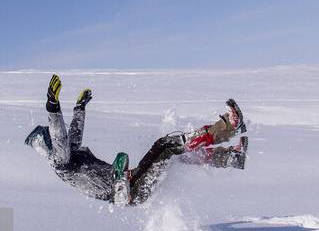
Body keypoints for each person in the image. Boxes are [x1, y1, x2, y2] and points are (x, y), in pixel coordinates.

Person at [25, 75, 249, 206]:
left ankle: (231, 158)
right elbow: (61, 139)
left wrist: (79, 108)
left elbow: (71, 136)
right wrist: (52, 108)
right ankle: (228, 127)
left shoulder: (68, 158)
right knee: (168, 147)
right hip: (126, 191)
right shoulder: (59, 161)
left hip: (130, 180)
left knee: (170, 149)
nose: (56, 139)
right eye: (51, 137)